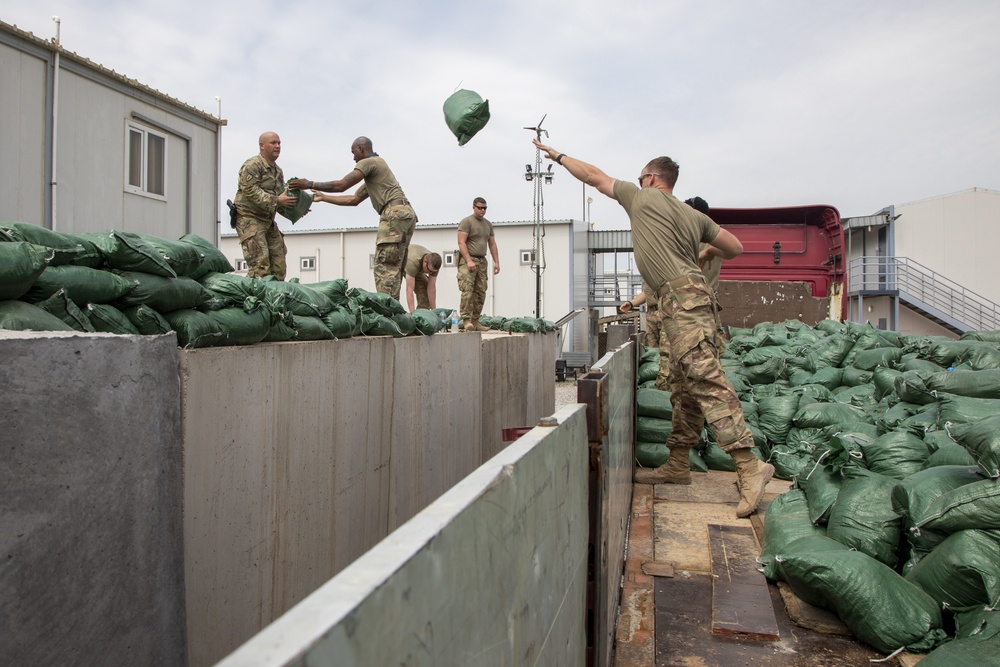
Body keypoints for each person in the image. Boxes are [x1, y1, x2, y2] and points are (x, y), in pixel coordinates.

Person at [532, 138, 773, 518]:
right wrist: (706, 251)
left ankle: (748, 465)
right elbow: (736, 247)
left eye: (640, 177)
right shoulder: (694, 216)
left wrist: (558, 156)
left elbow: (593, 176)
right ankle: (678, 462)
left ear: (649, 177)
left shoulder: (641, 197)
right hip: (686, 300)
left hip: (683, 302)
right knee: (683, 385)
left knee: (705, 378)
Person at [289, 137, 417, 300]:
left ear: (361, 149)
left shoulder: (370, 162)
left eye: (354, 152)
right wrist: (324, 197)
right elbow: (353, 200)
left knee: (385, 269)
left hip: (394, 214)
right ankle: (393, 310)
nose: (353, 158)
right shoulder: (377, 172)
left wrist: (309, 184)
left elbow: (341, 185)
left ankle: (386, 312)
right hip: (405, 214)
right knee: (394, 268)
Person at [234, 132, 298, 280]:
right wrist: (277, 200)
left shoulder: (278, 171)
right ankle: (257, 300)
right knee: (260, 266)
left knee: (279, 265)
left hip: (267, 220)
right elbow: (250, 190)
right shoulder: (253, 165)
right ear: (262, 146)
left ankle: (275, 298)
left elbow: (280, 198)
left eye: (279, 143)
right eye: (273, 143)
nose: (277, 146)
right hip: (249, 218)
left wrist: (295, 209)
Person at [456, 197, 500, 331]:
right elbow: (461, 242)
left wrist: (496, 262)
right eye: (479, 207)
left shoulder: (488, 224)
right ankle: (466, 320)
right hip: (468, 260)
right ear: (473, 207)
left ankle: (475, 320)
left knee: (481, 291)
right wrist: (468, 260)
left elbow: (492, 243)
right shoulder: (467, 222)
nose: (482, 210)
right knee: (467, 291)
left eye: (484, 208)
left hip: (482, 261)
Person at [404, 243, 442, 311]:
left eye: (433, 272)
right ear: (425, 262)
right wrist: (412, 313)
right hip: (399, 262)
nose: (430, 273)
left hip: (417, 267)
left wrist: (435, 312)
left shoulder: (433, 266)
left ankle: (422, 314)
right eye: (429, 270)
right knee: (394, 289)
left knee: (424, 287)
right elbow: (409, 290)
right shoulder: (413, 263)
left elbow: (431, 288)